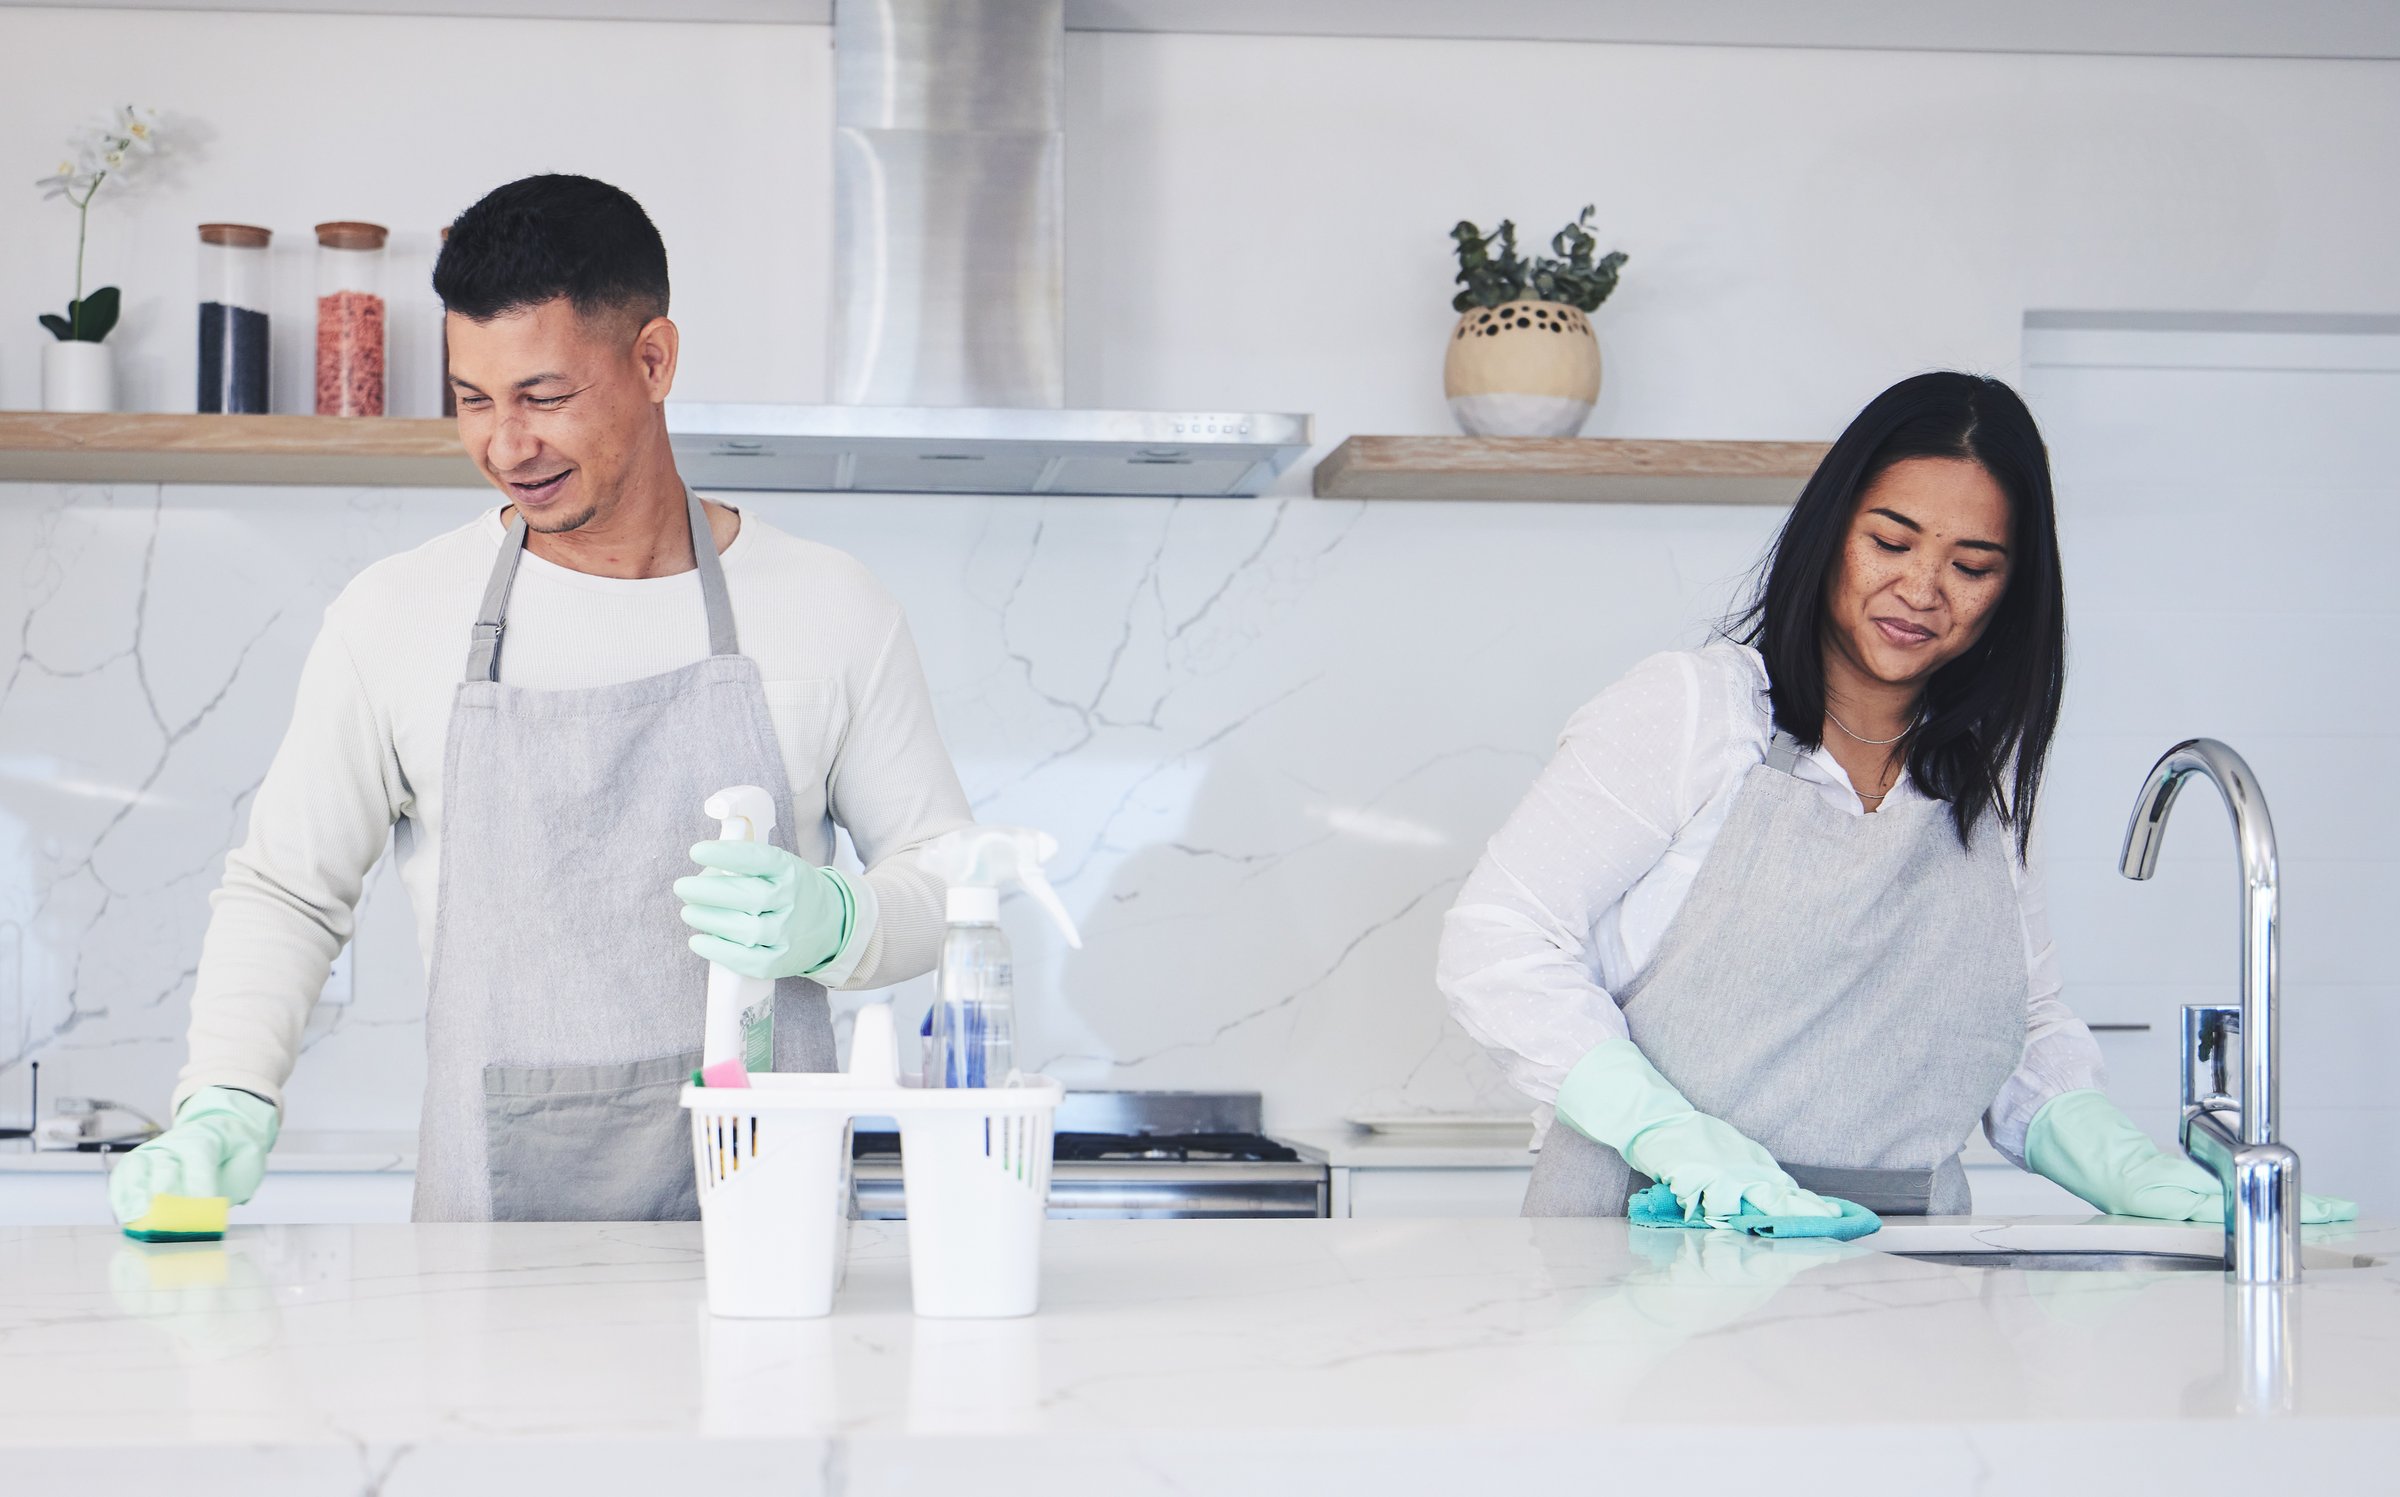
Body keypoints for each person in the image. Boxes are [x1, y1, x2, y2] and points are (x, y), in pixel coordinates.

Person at [109, 175, 972, 1225]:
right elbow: (287, 890)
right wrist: (224, 1102)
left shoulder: (829, 608)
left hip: (768, 1242)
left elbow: (947, 877)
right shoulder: (396, 617)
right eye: (474, 399)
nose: (505, 446)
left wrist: (843, 922)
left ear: (652, 360)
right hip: (486, 1260)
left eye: (544, 397)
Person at [1438, 371, 2354, 1225]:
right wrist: (1667, 1135)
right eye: (1892, 540)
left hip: (1897, 1264)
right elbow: (1498, 938)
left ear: (2011, 591)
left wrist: (2126, 1164)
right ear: (1833, 528)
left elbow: (2021, 1028)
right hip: (1643, 1232)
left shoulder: (1979, 785)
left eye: (1973, 564)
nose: (1921, 589)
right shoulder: (1698, 712)